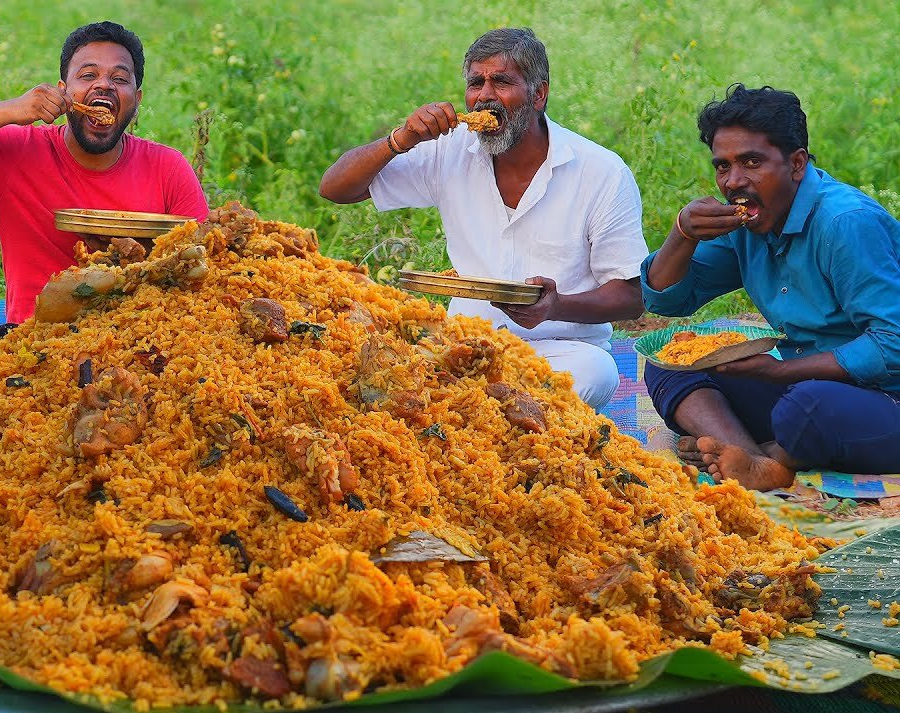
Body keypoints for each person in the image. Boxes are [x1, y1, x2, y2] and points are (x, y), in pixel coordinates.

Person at [319, 27, 646, 409]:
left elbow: (631, 296)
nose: (485, 96)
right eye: (476, 83)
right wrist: (400, 139)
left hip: (559, 352)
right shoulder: (448, 150)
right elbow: (335, 189)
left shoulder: (601, 172)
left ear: (538, 94)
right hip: (461, 349)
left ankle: (476, 417)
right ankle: (476, 414)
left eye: (502, 82)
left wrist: (555, 306)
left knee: (596, 372)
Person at [642, 84, 900, 490]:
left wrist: (781, 372)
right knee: (667, 362)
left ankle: (764, 454)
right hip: (807, 389)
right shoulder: (749, 224)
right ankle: (757, 461)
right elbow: (669, 299)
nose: (734, 181)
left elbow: (892, 343)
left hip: (884, 399)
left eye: (751, 162)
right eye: (722, 166)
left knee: (805, 408)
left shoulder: (845, 222)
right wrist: (682, 233)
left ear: (797, 164)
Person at [0, 20, 209, 332]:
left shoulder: (168, 168)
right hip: (33, 343)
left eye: (120, 78)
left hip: (141, 337)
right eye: (88, 75)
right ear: (63, 92)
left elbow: (209, 264)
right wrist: (12, 110)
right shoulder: (17, 153)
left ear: (136, 102)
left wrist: (139, 254)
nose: (104, 85)